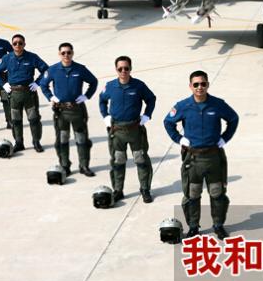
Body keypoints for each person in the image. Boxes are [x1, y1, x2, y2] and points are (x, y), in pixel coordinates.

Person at [164, 70, 239, 239]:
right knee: (192, 194)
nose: (199, 87)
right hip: (193, 159)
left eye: (203, 84)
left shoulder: (218, 104)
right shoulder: (183, 106)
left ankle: (218, 225)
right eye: (196, 84)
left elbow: (233, 119)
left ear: (207, 85)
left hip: (214, 157)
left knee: (217, 193)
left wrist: (225, 138)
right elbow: (168, 122)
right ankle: (193, 227)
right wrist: (179, 139)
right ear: (190, 86)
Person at [98, 56, 156, 203]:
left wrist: (147, 115)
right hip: (117, 131)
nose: (123, 71)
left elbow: (151, 99)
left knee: (141, 160)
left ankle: (145, 189)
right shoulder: (110, 86)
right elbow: (102, 100)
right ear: (116, 70)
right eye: (120, 69)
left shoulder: (138, 86)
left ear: (130, 68)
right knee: (118, 161)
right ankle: (118, 190)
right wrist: (105, 116)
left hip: (135, 130)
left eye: (126, 68)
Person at [39, 42, 98, 178]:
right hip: (61, 112)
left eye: (69, 52)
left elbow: (93, 82)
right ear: (59, 54)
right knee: (62, 140)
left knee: (81, 139)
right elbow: (43, 84)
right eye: (63, 53)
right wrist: (51, 97)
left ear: (72, 53)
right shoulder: (53, 70)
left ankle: (84, 166)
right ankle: (65, 165)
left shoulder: (80, 69)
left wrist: (86, 96)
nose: (66, 55)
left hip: (77, 110)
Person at [0, 34, 48, 152]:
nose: (18, 45)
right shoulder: (7, 58)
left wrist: (38, 82)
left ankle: (36, 141)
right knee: (16, 120)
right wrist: (4, 84)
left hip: (29, 93)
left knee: (34, 119)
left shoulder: (32, 57)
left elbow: (46, 70)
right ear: (12, 45)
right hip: (14, 95)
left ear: (24, 44)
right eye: (15, 43)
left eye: (20, 43)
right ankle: (19, 142)